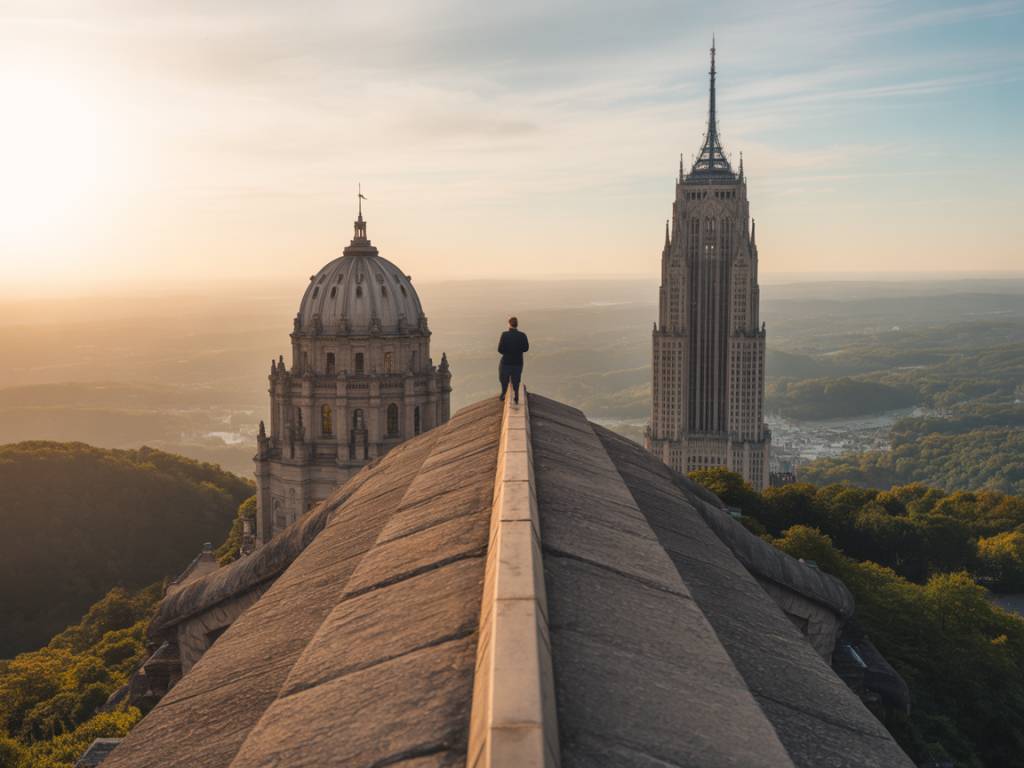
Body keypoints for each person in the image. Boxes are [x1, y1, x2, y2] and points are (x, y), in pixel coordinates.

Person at [497, 316, 529, 404]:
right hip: (518, 362)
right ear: (517, 324)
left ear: (509, 324)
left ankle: (504, 393)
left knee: (503, 379)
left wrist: (507, 351)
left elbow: (499, 349)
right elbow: (526, 348)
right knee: (516, 380)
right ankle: (516, 396)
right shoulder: (522, 335)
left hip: (506, 362)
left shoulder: (504, 335)